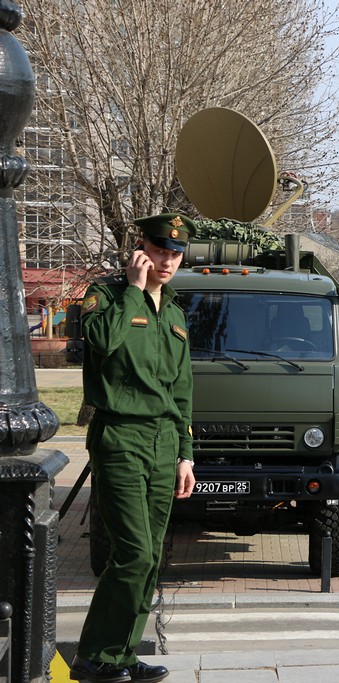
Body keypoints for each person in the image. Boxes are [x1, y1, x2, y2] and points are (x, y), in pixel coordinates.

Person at [71, 213, 197, 683]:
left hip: (165, 442)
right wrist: (132, 286)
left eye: (176, 253)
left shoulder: (177, 311)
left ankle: (121, 654)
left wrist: (186, 453)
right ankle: (94, 656)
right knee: (134, 553)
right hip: (120, 437)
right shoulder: (105, 294)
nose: (168, 261)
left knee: (151, 555)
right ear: (141, 247)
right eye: (161, 250)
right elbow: (102, 341)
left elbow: (182, 389)